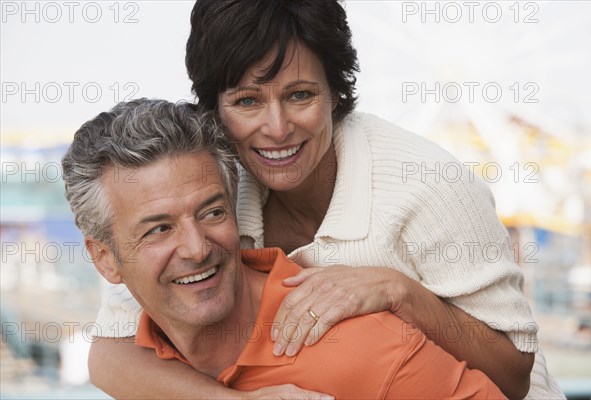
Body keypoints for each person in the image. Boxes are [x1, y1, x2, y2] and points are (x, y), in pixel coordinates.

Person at [87, 1, 565, 399]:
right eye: (247, 101)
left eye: (299, 95)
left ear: (336, 93)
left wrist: (400, 291)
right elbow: (110, 352)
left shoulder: (428, 186)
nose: (276, 128)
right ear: (214, 109)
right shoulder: (209, 186)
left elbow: (514, 373)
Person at [63, 98, 506, 399]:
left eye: (213, 212)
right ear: (104, 259)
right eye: (159, 229)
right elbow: (104, 357)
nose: (196, 248)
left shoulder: (365, 350)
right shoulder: (144, 363)